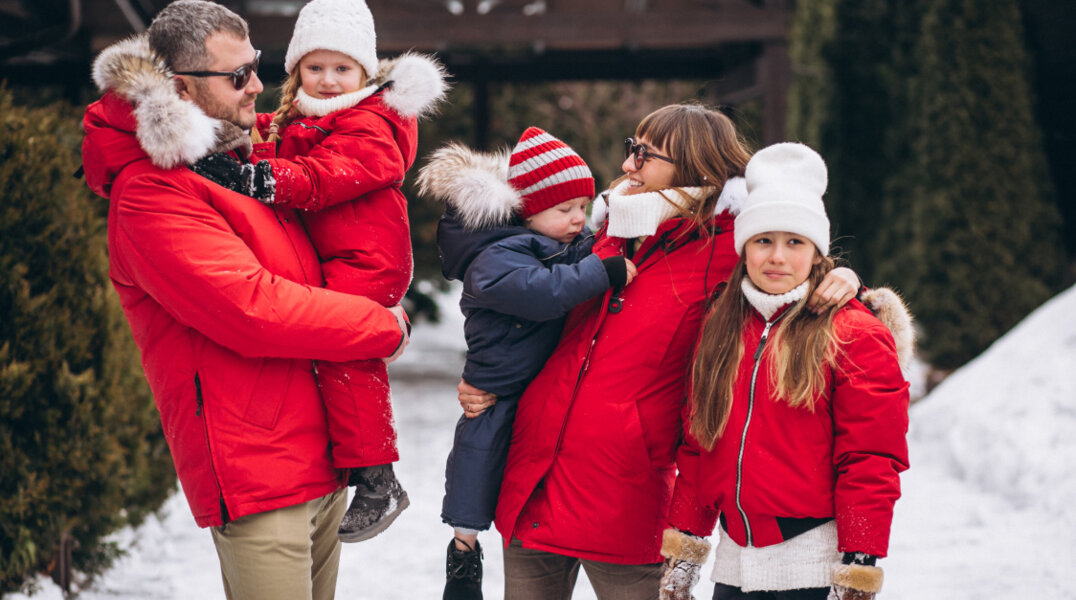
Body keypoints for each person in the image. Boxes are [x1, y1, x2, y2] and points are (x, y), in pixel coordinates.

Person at [457, 105, 862, 600]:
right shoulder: (606, 229)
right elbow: (517, 297)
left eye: (644, 154)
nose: (628, 165)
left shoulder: (728, 254)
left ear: (694, 164)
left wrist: (842, 281)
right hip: (534, 482)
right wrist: (487, 375)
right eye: (632, 148)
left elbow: (788, 286)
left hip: (627, 497)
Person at [80, 1, 409, 598]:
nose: (259, 85)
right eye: (238, 77)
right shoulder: (150, 192)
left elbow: (352, 158)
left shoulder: (241, 154)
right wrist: (381, 324)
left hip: (321, 462)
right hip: (260, 477)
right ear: (181, 87)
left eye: (255, 66)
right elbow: (254, 309)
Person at [193, 0, 448, 543]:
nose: (328, 80)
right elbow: (272, 135)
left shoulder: (373, 123)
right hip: (335, 254)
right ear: (297, 70)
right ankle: (353, 459)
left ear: (364, 72)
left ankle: (378, 478)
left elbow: (328, 173)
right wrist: (224, 136)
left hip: (368, 257)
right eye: (315, 68)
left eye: (341, 69)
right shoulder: (305, 116)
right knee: (323, 347)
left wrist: (264, 180)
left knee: (343, 353)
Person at [658, 142, 913, 600]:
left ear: (817, 253)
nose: (777, 256)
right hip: (734, 561)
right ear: (744, 249)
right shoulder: (721, 325)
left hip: (812, 563)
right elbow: (699, 441)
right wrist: (686, 547)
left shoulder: (854, 333)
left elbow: (871, 459)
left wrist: (858, 564)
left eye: (794, 241)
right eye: (763, 240)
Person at [417, 127, 637, 599]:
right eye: (565, 210)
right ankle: (463, 548)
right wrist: (603, 272)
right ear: (528, 210)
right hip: (498, 378)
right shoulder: (494, 256)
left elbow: (577, 250)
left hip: (531, 375)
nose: (578, 219)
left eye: (582, 207)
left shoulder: (549, 239)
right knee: (481, 449)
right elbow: (542, 294)